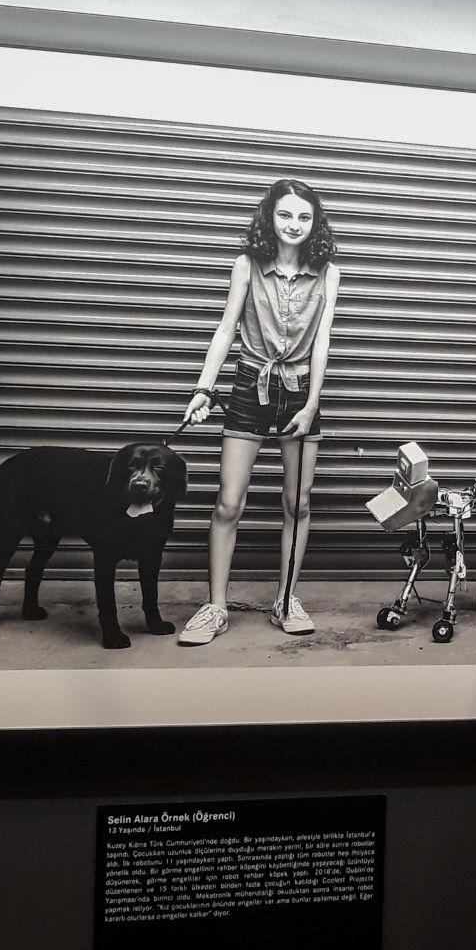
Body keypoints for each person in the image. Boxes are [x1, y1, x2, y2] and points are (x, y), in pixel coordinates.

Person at [176, 179, 341, 645]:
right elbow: (226, 328)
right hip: (250, 382)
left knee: (298, 503)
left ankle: (287, 600)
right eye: (286, 215)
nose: (294, 225)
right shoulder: (247, 265)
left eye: (304, 217)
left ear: (315, 223)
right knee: (229, 503)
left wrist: (311, 405)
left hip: (302, 388)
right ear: (270, 217)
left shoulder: (328, 272)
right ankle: (215, 608)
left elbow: (323, 341)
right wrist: (203, 389)